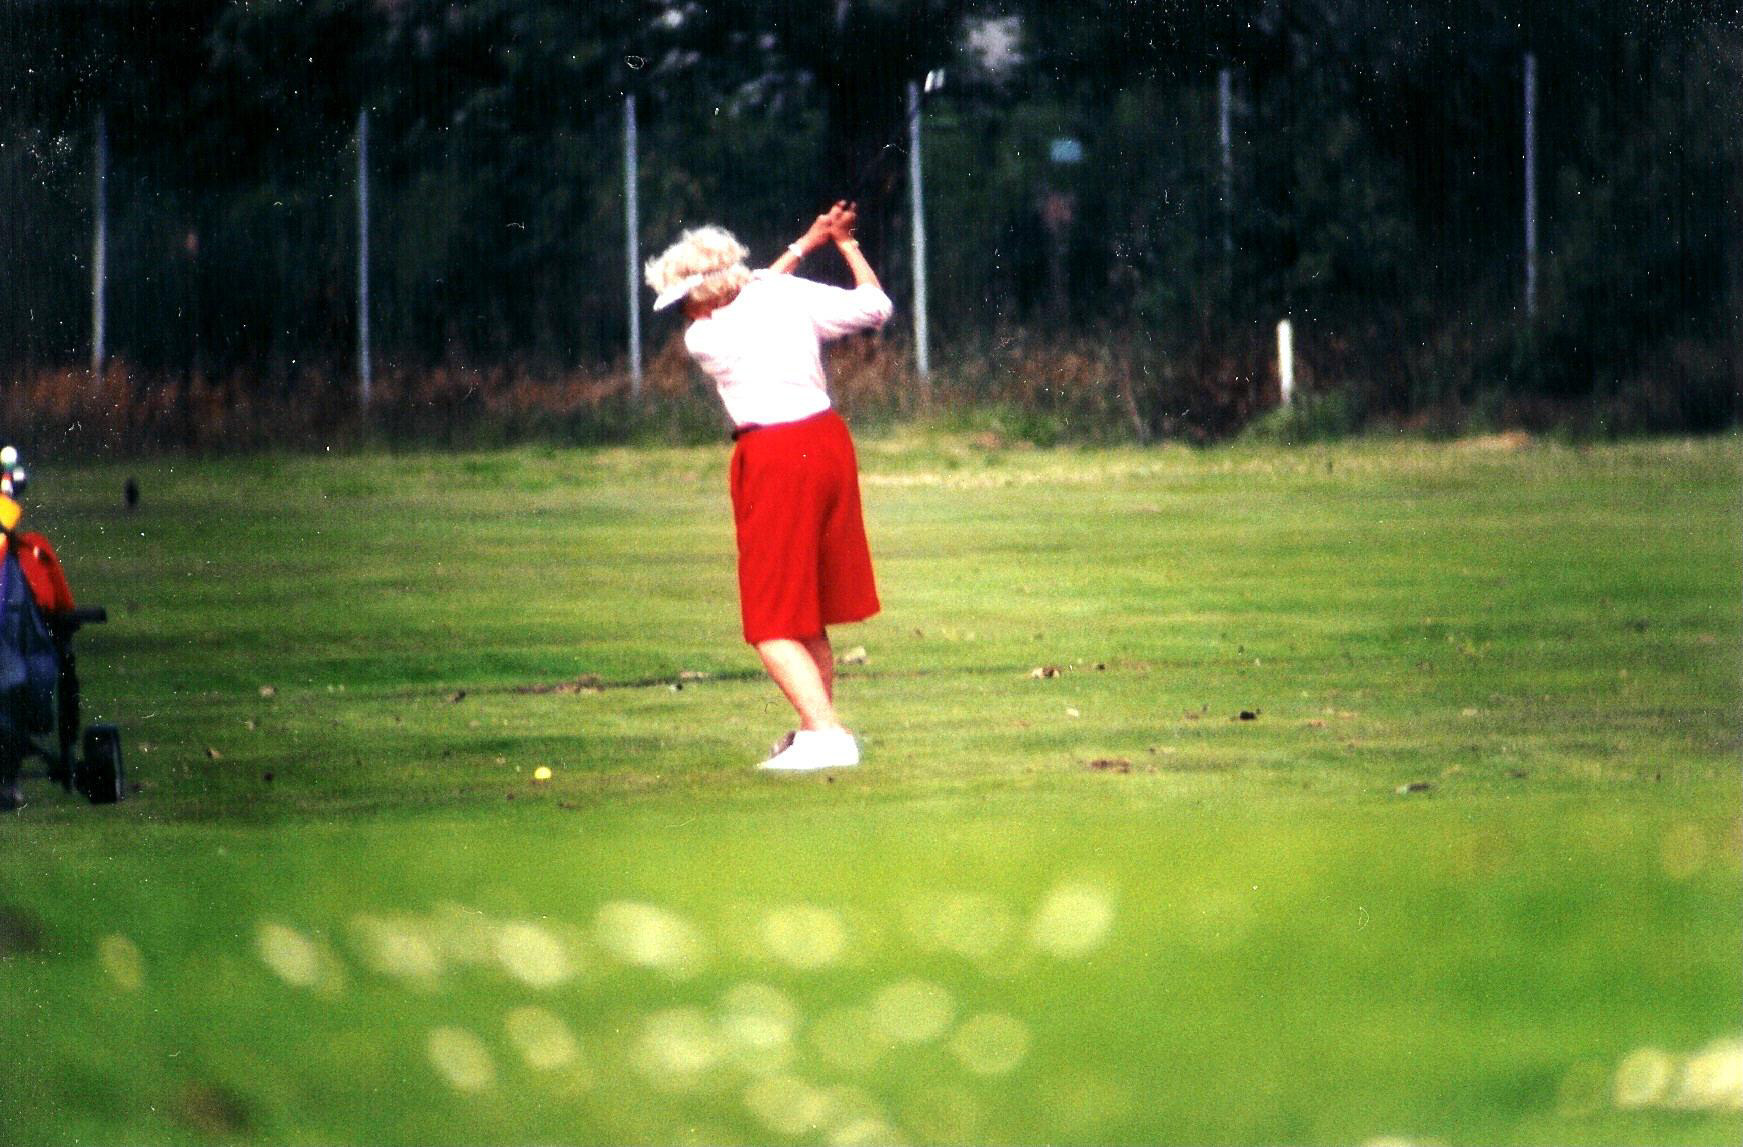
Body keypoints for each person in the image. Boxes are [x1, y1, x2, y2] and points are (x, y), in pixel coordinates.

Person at [644, 202, 892, 772]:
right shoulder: (780, 297)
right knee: (804, 609)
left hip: (775, 457)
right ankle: (815, 733)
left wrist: (807, 243)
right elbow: (874, 306)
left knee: (771, 621)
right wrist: (840, 244)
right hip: (828, 444)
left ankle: (828, 735)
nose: (681, 309)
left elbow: (753, 288)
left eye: (683, 297)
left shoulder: (705, 336)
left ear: (704, 293)